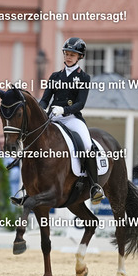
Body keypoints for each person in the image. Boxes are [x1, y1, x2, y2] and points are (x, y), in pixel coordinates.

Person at [38, 37, 105, 204]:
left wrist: (64, 110)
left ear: (79, 57)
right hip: (53, 117)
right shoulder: (55, 76)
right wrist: (42, 109)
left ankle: (94, 186)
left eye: (72, 55)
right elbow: (45, 99)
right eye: (67, 54)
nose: (68, 57)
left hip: (72, 118)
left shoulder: (84, 77)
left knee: (87, 144)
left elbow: (80, 104)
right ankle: (29, 187)